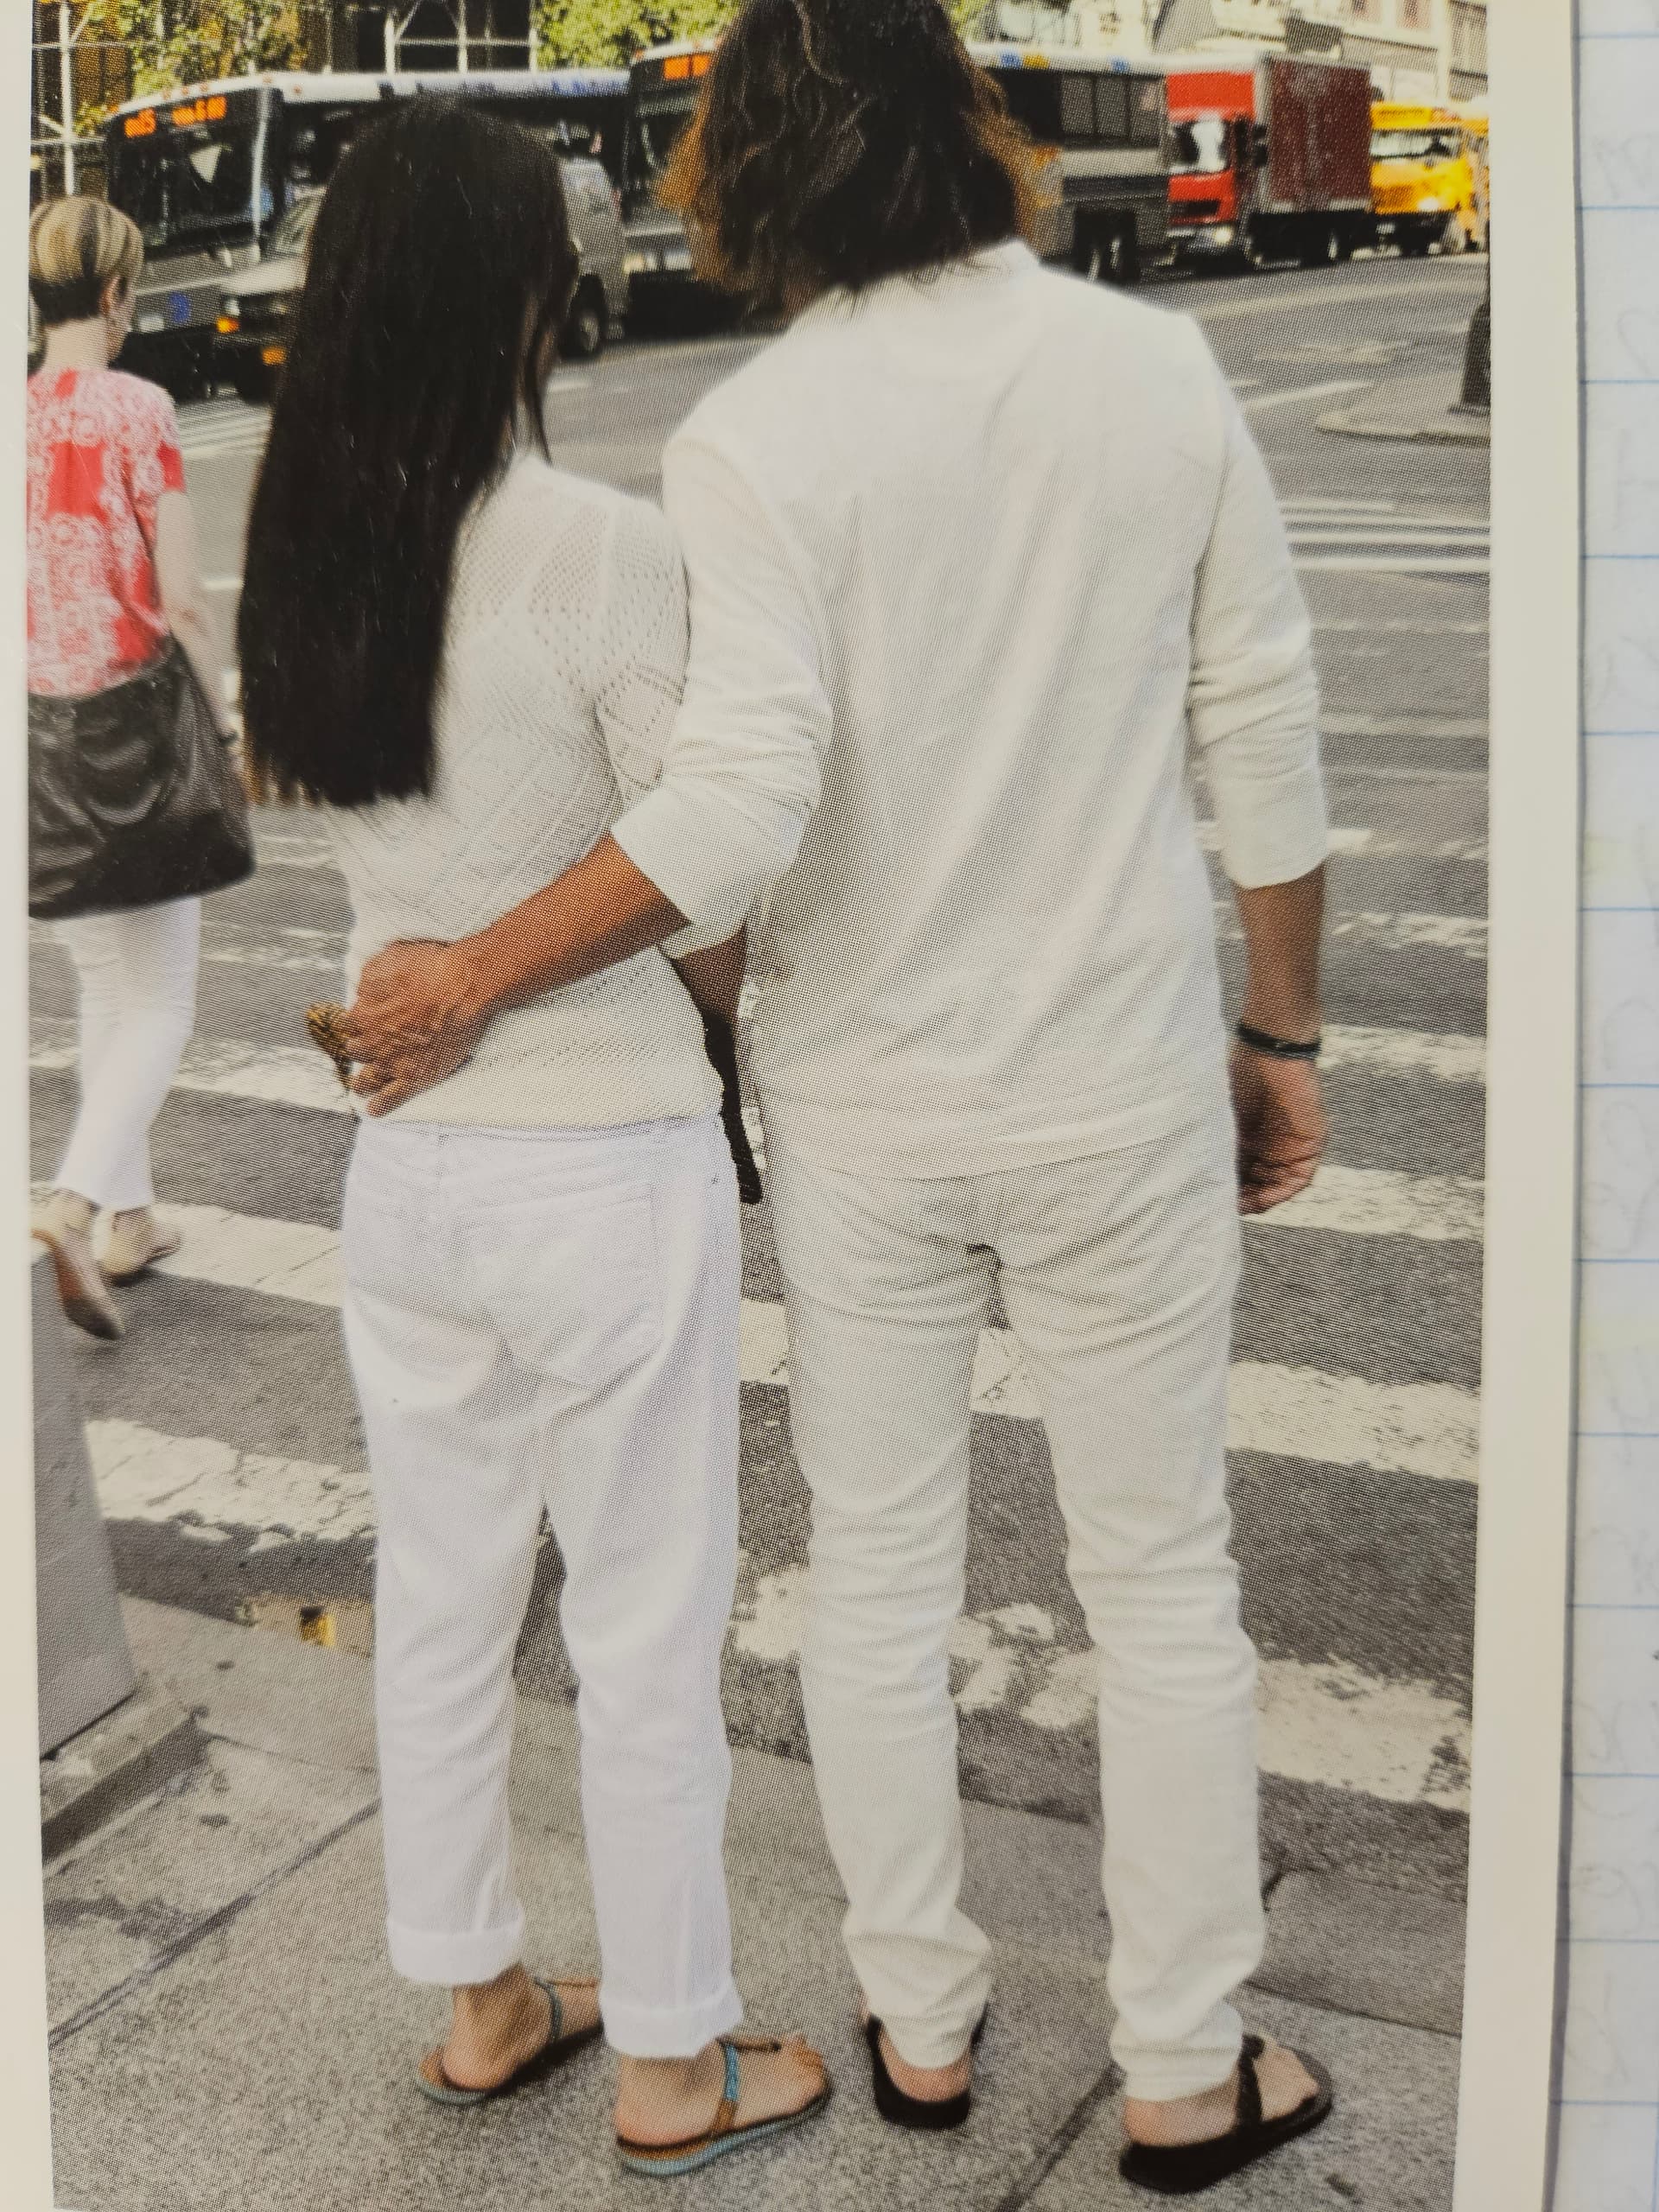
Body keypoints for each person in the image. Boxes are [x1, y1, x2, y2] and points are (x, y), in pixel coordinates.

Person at [340, 3, 1336, 2192]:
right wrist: (1280, 1034)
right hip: (1117, 1082)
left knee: (875, 1575)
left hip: (864, 1102)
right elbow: (1263, 739)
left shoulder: (750, 438)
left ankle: (923, 2025)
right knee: (1164, 1576)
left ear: (753, 169)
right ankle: (1184, 2065)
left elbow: (736, 810)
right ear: (967, 124)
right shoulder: (1152, 374)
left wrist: (479, 971)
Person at [235, 99, 828, 2177]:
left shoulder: (309, 547)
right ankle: (672, 2053)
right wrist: (712, 1014)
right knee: (645, 1615)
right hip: (597, 1157)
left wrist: (451, 969)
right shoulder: (591, 544)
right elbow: (707, 860)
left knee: (440, 1592)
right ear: (518, 295)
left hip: (412, 1169)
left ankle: (482, 1996)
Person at [27, 198, 238, 1344]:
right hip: (133, 735)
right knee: (159, 1002)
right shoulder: (140, 410)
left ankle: (130, 1218)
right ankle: (72, 1205)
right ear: (115, 295)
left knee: (108, 989)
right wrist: (228, 730)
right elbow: (184, 600)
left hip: (34, 746)